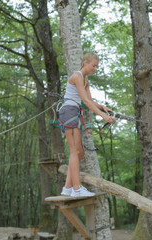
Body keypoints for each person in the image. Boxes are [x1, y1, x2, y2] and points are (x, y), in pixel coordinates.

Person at [58, 52, 115, 197]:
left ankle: (67, 188)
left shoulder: (85, 80)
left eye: (96, 66)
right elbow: (86, 101)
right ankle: (76, 189)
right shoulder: (77, 76)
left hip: (74, 112)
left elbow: (89, 100)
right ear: (85, 62)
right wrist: (102, 116)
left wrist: (102, 107)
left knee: (80, 152)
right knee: (74, 151)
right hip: (69, 111)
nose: (95, 68)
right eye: (93, 65)